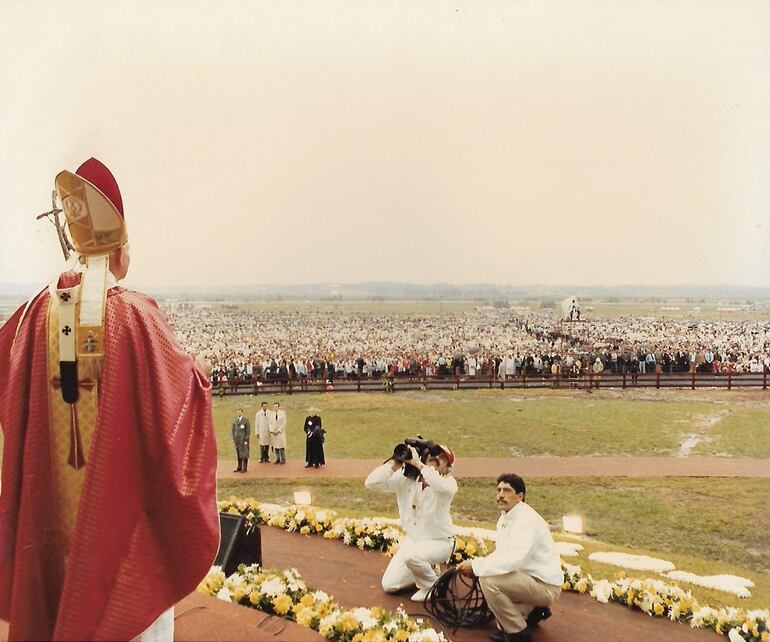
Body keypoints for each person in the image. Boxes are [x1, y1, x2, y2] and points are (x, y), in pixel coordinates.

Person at [0, 159, 219, 641]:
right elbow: (177, 398)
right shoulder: (136, 316)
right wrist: (197, 379)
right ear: (120, 251)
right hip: (118, 522)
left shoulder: (36, 313)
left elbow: (6, 366)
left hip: (55, 516)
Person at [456, 474, 562, 642]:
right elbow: (502, 554)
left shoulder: (527, 520)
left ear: (520, 496)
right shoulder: (506, 517)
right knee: (499, 610)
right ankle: (534, 611)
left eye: (507, 490)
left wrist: (476, 567)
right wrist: (477, 565)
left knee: (489, 580)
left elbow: (514, 559)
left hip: (544, 586)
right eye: (498, 490)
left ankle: (518, 632)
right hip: (529, 580)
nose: (500, 495)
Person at [364, 443, 457, 602]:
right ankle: (426, 568)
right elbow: (371, 483)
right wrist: (394, 464)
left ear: (447, 468)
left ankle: (432, 587)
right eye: (433, 455)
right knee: (390, 585)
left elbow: (438, 483)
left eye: (442, 458)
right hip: (414, 543)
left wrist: (419, 465)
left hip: (440, 543)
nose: (436, 458)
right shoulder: (405, 479)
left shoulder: (448, 484)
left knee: (411, 555)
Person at [231, 407, 250, 472]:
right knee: (238, 454)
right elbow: (233, 430)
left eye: (240, 412)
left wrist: (246, 439)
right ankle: (239, 466)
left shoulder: (245, 420)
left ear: (242, 412)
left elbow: (248, 430)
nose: (238, 413)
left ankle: (244, 467)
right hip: (237, 440)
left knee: (244, 454)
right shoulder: (235, 420)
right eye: (237, 412)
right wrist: (233, 438)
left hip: (243, 440)